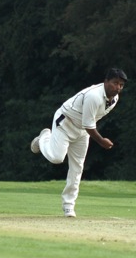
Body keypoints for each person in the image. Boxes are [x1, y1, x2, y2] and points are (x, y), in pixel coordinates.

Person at [30, 68, 127, 218]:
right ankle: (44, 138)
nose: (118, 88)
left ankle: (69, 206)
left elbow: (89, 123)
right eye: (115, 83)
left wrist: (88, 132)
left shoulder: (114, 100)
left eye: (121, 85)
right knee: (57, 158)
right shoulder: (94, 96)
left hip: (82, 130)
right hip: (65, 123)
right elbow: (90, 125)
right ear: (106, 81)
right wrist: (101, 141)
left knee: (77, 166)